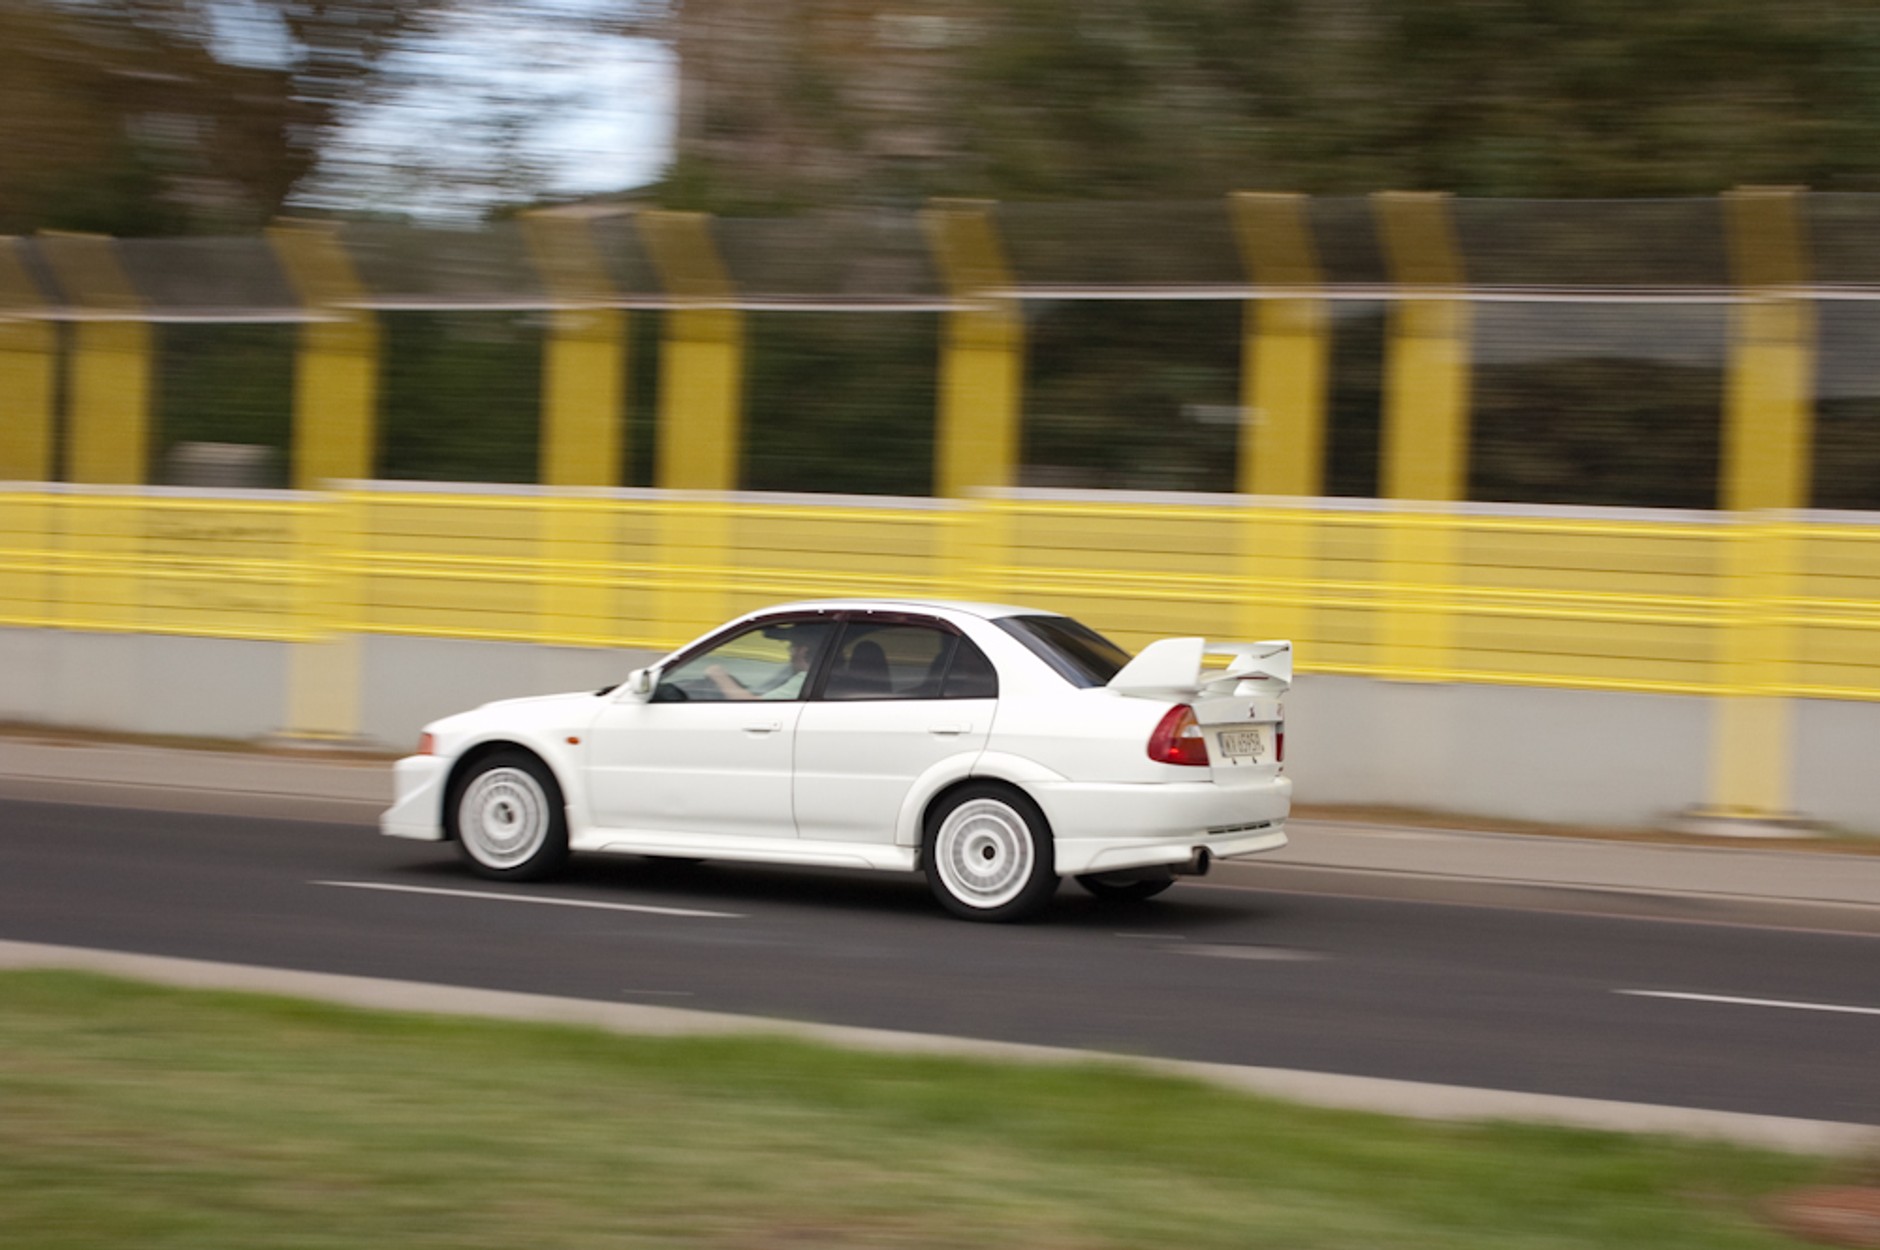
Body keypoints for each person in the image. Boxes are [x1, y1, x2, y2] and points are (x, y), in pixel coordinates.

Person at [706, 635, 814, 701]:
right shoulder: (807, 677)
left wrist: (718, 675)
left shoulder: (805, 680)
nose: (789, 654)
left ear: (802, 651)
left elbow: (751, 704)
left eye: (791, 648)